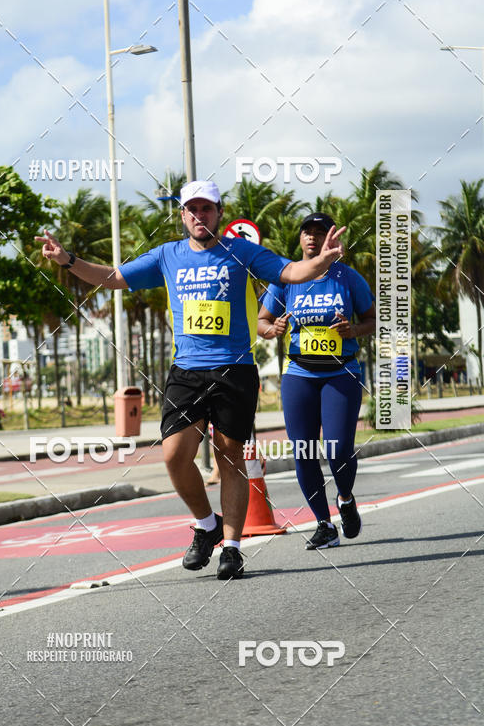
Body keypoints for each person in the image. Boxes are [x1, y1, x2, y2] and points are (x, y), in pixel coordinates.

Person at [36, 182, 346, 579]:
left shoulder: (241, 251)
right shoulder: (168, 255)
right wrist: (67, 259)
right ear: (182, 215)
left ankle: (232, 547)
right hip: (187, 370)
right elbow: (113, 277)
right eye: (192, 209)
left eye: (207, 208)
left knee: (229, 457)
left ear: (219, 212)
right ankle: (206, 524)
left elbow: (290, 271)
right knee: (173, 455)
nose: (200, 215)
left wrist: (321, 261)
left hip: (235, 369)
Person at [257, 212, 376, 550]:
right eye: (306, 232)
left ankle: (346, 499)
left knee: (338, 449)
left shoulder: (347, 278)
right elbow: (262, 322)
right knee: (304, 452)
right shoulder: (287, 278)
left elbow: (371, 319)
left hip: (341, 373)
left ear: (330, 239)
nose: (312, 237)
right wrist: (273, 329)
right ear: (300, 239)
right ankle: (324, 525)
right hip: (299, 375)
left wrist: (353, 329)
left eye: (319, 232)